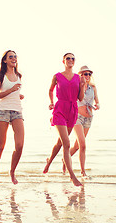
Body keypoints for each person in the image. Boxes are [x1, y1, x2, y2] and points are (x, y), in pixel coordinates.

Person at [44, 53, 86, 187]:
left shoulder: (78, 78)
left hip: (72, 111)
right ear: (63, 61)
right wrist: (51, 102)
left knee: (61, 143)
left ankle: (48, 162)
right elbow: (50, 90)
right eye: (68, 58)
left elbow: (80, 98)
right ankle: (72, 176)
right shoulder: (57, 76)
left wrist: (83, 86)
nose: (71, 60)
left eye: (73, 58)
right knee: (67, 143)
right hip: (60, 109)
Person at [0, 50, 24, 185]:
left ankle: (12, 171)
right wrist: (11, 90)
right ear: (5, 60)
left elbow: (15, 91)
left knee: (20, 145)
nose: (14, 58)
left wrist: (18, 95)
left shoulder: (18, 75)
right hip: (3, 111)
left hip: (17, 111)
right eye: (11, 57)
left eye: (15, 56)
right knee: (0, 145)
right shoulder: (1, 75)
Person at [64, 65, 100, 178]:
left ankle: (64, 159)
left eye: (89, 74)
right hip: (77, 117)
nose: (88, 76)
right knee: (83, 144)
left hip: (89, 118)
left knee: (77, 146)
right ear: (80, 75)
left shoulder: (93, 88)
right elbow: (69, 100)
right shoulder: (76, 86)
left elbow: (97, 100)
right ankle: (82, 172)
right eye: (85, 74)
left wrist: (97, 104)